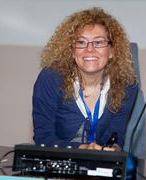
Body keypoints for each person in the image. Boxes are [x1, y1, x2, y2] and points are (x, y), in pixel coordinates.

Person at [32, 7, 137, 152]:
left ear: (112, 51)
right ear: (71, 51)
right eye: (81, 42)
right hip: (59, 164)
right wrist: (83, 148)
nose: (89, 49)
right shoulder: (50, 78)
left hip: (102, 167)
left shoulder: (125, 85)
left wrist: (113, 150)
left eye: (98, 42)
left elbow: (116, 136)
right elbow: (43, 138)